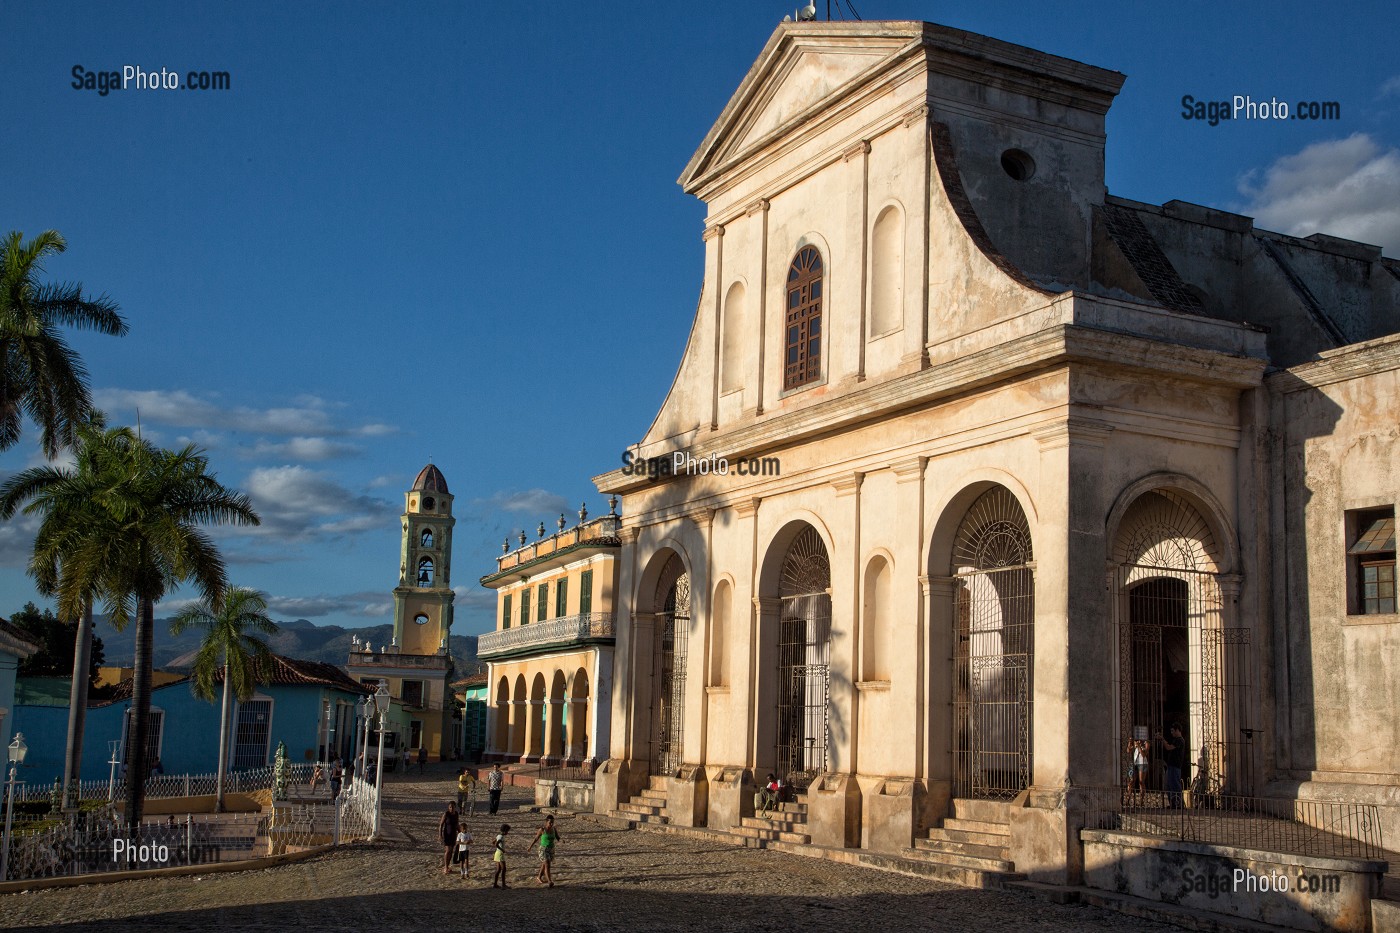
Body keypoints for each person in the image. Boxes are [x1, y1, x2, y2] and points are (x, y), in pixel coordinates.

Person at [1156, 723, 1186, 808]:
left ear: (1177, 730)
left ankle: (1178, 804)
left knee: (1175, 785)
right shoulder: (1176, 740)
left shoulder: (1179, 740)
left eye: (1173, 731)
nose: (1172, 733)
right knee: (1169, 785)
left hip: (1175, 765)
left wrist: (1163, 740)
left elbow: (1169, 747)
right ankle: (1173, 803)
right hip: (1171, 765)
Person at [532, 814, 561, 886]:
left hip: (551, 849)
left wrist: (562, 840)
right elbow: (536, 838)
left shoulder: (554, 829)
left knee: (545, 864)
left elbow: (557, 837)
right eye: (550, 822)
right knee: (547, 863)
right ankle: (549, 881)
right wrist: (530, 846)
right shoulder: (542, 830)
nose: (551, 824)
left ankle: (539, 877)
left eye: (552, 822)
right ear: (546, 822)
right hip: (543, 849)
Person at [1125, 738, 1149, 807]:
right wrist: (1130, 742)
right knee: (1131, 781)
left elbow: (1144, 755)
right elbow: (1128, 751)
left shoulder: (1146, 743)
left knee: (1141, 782)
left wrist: (1139, 746)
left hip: (1142, 763)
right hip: (1134, 763)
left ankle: (1141, 801)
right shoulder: (1135, 741)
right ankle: (1127, 799)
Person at [439, 802, 460, 875]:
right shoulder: (446, 814)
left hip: (454, 835)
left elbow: (457, 824)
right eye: (450, 807)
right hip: (447, 834)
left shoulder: (456, 814)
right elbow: (441, 825)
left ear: (455, 807)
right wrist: (440, 835)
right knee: (448, 850)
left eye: (453, 807)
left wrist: (460, 833)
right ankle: (445, 867)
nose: (451, 808)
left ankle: (447, 866)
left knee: (451, 851)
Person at [491, 823, 511, 889]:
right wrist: (502, 849)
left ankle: (495, 884)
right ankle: (503, 884)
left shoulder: (498, 835)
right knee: (503, 869)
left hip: (497, 853)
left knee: (498, 870)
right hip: (500, 854)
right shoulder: (501, 837)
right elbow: (496, 844)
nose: (508, 832)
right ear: (505, 830)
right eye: (507, 831)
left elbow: (493, 842)